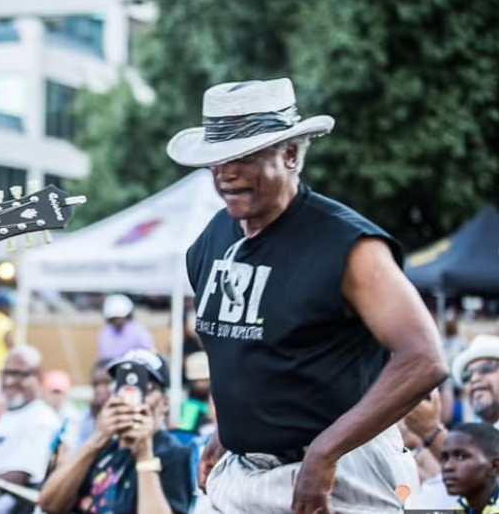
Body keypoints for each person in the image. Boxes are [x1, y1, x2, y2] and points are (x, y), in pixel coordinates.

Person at [172, 78, 446, 513]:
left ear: (291, 154)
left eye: (244, 156)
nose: (226, 173)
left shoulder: (348, 245)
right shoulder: (210, 242)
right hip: (241, 472)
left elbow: (424, 359)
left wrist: (324, 454)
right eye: (217, 159)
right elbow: (254, 353)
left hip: (343, 471)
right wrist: (228, 432)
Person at [38, 350, 193, 514]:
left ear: (164, 403)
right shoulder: (104, 450)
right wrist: (96, 439)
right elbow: (49, 504)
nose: (133, 399)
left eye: (145, 388)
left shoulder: (174, 454)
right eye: (124, 386)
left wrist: (144, 456)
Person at [0, 346, 61, 514]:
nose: (9, 381)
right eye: (6, 373)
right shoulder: (2, 418)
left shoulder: (42, 419)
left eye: (19, 374)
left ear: (38, 379)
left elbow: (18, 477)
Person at [412, 335, 499, 462]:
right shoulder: (476, 432)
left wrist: (431, 431)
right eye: (466, 376)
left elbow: (486, 474)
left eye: (486, 369)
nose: (474, 379)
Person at [441, 423, 499, 513]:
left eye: (461, 457)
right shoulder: (462, 506)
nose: (447, 466)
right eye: (445, 457)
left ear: (494, 467)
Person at [97, 295, 154, 361]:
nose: (118, 321)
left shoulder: (139, 331)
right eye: (115, 318)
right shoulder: (106, 332)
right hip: (113, 367)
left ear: (128, 316)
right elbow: (105, 356)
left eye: (120, 317)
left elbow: (147, 353)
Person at [74, 359, 113, 451]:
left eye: (107, 383)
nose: (100, 389)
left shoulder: (125, 412)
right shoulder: (87, 415)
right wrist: (95, 419)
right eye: (96, 384)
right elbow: (79, 451)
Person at [177, 352, 212, 435]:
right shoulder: (190, 407)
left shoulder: (213, 402)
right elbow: (184, 431)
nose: (205, 383)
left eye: (206, 379)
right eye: (200, 380)